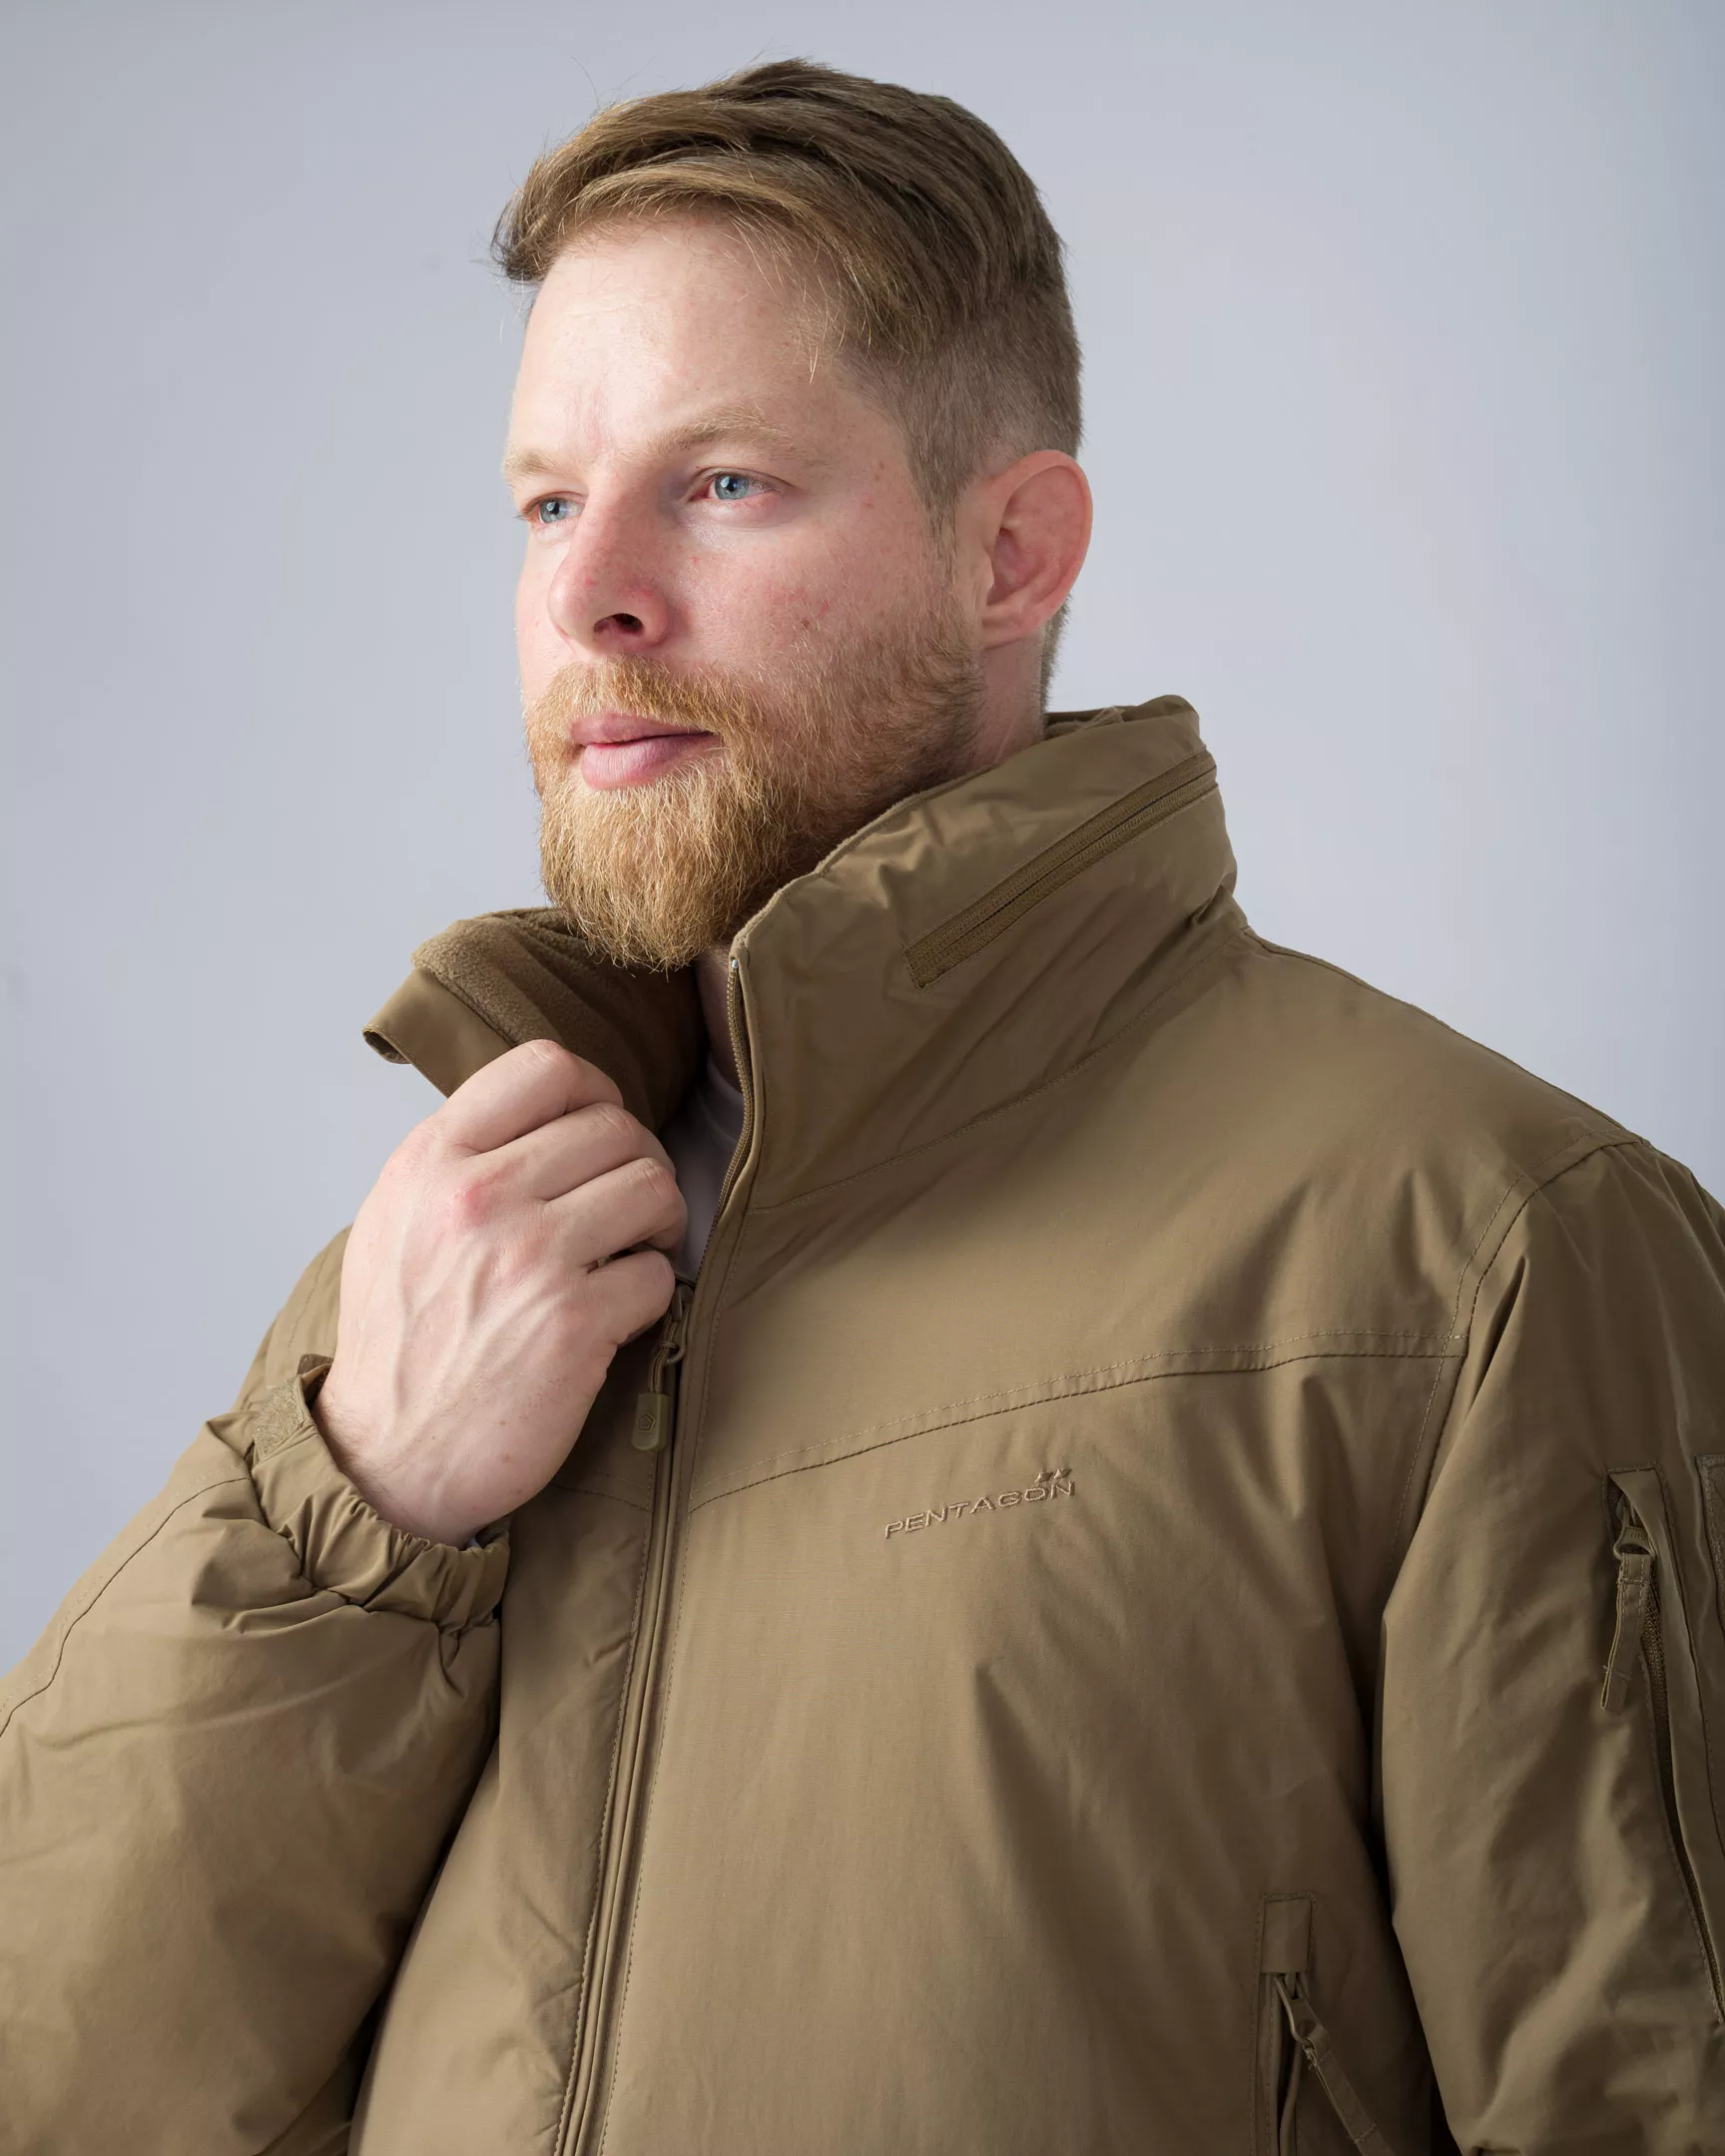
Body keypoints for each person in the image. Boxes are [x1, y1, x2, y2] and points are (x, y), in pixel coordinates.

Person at [2, 57, 1722, 2156]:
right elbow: (63, 2082)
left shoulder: (1483, 1251)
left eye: (720, 484)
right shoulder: (446, 1271)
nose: (592, 593)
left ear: (1013, 550)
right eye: (546, 502)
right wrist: (361, 1509)